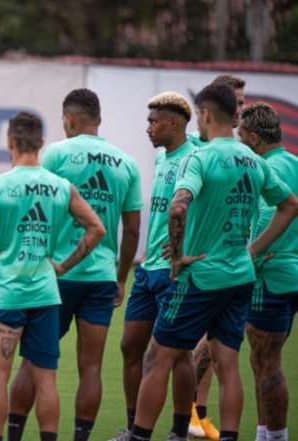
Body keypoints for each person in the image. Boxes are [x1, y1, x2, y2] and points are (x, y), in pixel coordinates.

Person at [130, 83, 298, 441]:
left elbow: (178, 206)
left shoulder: (200, 157)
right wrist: (252, 251)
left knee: (158, 358)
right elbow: (290, 205)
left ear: (205, 115)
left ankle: (139, 436)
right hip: (240, 277)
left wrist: (177, 256)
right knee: (229, 365)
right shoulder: (253, 160)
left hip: (201, 276)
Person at [0, 111, 105, 441]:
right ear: (41, 143)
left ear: (10, 142)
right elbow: (97, 228)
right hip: (45, 293)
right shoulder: (61, 187)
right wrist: (64, 266)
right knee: (46, 379)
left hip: (6, 292)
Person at [8, 88, 143, 441]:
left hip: (55, 274)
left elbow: (28, 203)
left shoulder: (54, 154)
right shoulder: (126, 163)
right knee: (92, 366)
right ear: (98, 119)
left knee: (33, 360)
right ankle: (80, 437)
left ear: (68, 119)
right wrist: (120, 278)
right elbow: (131, 231)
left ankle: (14, 433)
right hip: (100, 276)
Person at [109, 92, 197, 441]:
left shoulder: (196, 158)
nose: (148, 128)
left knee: (179, 354)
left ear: (174, 122)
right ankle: (133, 428)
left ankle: (178, 431)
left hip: (178, 271)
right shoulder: (162, 158)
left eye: (153, 121)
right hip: (149, 269)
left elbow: (202, 208)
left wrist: (184, 246)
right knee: (130, 345)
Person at [187, 74, 246, 441]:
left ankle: (198, 417)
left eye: (243, 102)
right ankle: (188, 415)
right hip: (204, 264)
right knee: (191, 346)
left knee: (223, 352)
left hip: (238, 264)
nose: (241, 109)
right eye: (236, 102)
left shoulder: (246, 155)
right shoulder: (199, 150)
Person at [238, 103, 298, 441]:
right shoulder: (295, 164)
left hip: (270, 274)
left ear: (255, 138)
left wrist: (251, 257)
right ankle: (265, 433)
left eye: (241, 136)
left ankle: (275, 437)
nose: (239, 142)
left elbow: (266, 216)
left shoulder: (263, 168)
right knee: (263, 361)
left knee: (267, 360)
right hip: (292, 273)